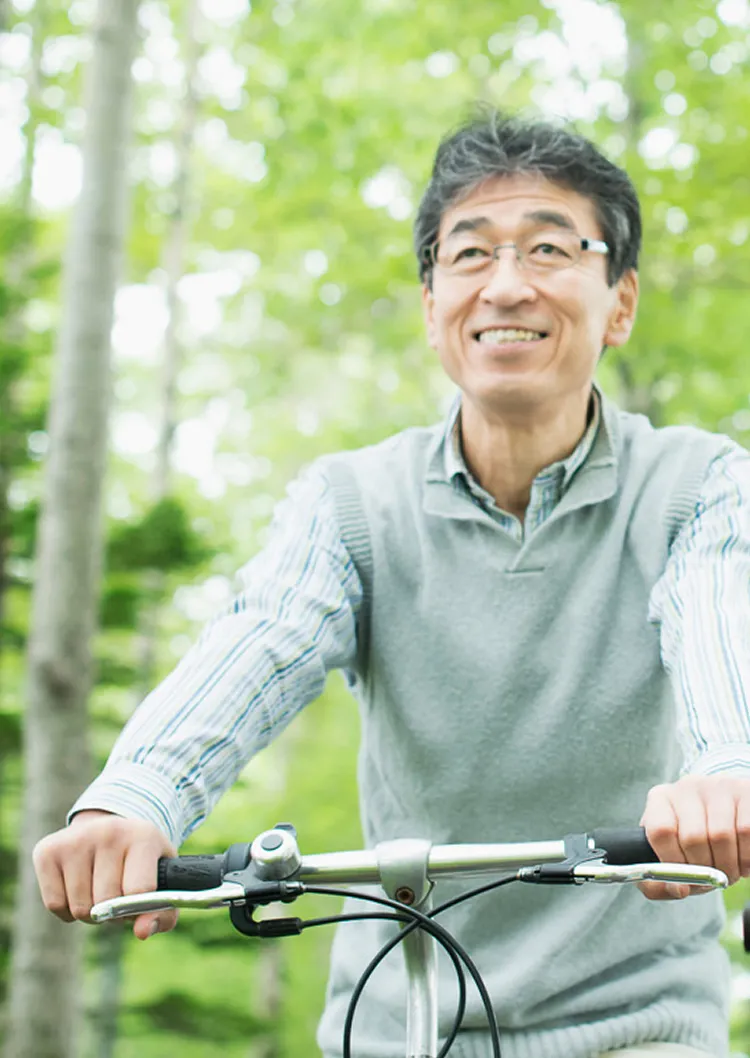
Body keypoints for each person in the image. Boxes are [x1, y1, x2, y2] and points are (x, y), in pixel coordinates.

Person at [34, 109, 750, 1058]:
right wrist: (135, 798)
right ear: (430, 305)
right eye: (470, 253)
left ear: (619, 302)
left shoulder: (700, 487)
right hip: (399, 1019)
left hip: (639, 1027)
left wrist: (727, 772)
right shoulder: (349, 505)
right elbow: (264, 638)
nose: (506, 283)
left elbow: (719, 628)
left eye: (549, 248)